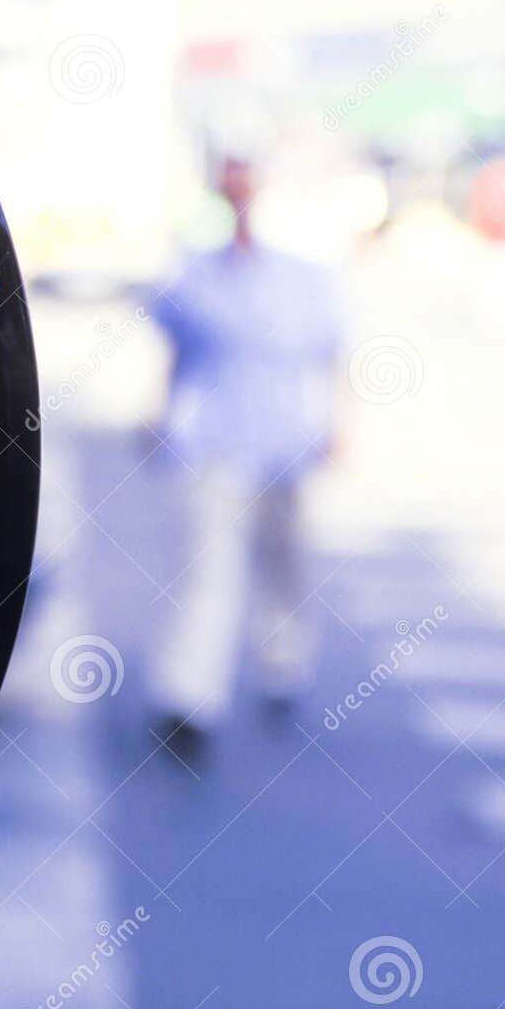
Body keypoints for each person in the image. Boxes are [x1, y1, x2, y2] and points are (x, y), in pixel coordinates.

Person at [145, 157, 343, 756]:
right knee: (210, 570)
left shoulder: (303, 276)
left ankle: (284, 663)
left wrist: (339, 423)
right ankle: (190, 696)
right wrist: (161, 415)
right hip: (217, 441)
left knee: (285, 566)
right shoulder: (196, 275)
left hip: (285, 442)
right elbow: (177, 354)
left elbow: (332, 353)